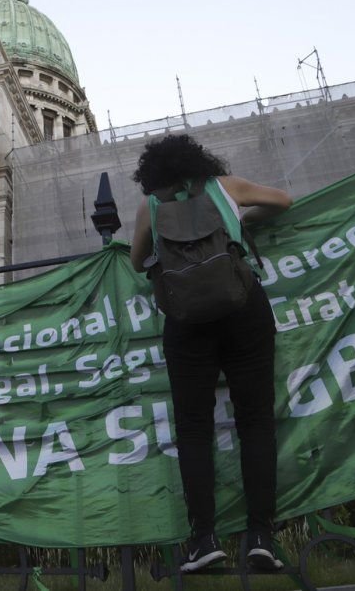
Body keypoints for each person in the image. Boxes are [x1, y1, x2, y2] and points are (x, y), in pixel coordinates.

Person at [129, 134, 292, 573]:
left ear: (151, 175)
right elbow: (283, 201)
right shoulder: (226, 188)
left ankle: (204, 540)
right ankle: (261, 536)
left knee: (194, 428)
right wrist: (237, 223)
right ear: (200, 161)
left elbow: (136, 261)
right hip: (243, 305)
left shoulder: (151, 207)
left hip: (185, 320)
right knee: (255, 420)